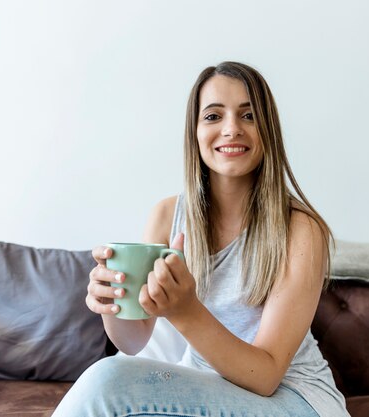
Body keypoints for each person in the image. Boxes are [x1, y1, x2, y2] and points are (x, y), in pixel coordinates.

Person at [52, 61, 349, 417]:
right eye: (212, 116)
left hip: (294, 400)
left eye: (248, 115)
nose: (231, 129)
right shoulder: (167, 215)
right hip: (208, 394)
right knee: (114, 378)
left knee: (108, 380)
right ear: (194, 131)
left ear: (267, 129)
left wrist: (185, 310)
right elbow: (133, 341)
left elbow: (267, 376)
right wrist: (111, 303)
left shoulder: (301, 230)